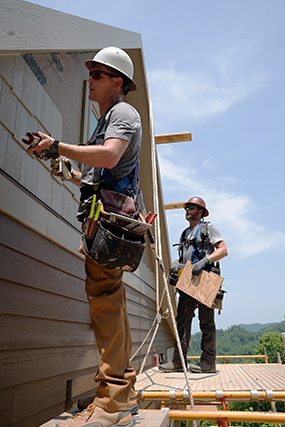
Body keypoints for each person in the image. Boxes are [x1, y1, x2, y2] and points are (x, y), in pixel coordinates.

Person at [28, 47, 143, 427]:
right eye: (90, 73)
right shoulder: (108, 118)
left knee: (104, 305)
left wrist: (57, 145)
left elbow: (109, 157)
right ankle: (123, 387)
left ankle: (112, 401)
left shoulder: (123, 114)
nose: (89, 80)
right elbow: (100, 174)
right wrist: (66, 169)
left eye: (97, 75)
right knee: (113, 303)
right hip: (101, 224)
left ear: (117, 82)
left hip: (108, 226)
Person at [159, 196, 228, 374]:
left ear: (200, 211)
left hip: (205, 278)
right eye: (186, 207)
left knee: (206, 321)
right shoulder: (184, 234)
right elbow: (185, 256)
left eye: (191, 207)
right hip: (188, 279)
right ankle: (178, 362)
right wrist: (177, 264)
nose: (187, 210)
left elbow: (223, 250)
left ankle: (208, 362)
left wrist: (205, 261)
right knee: (182, 320)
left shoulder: (207, 228)